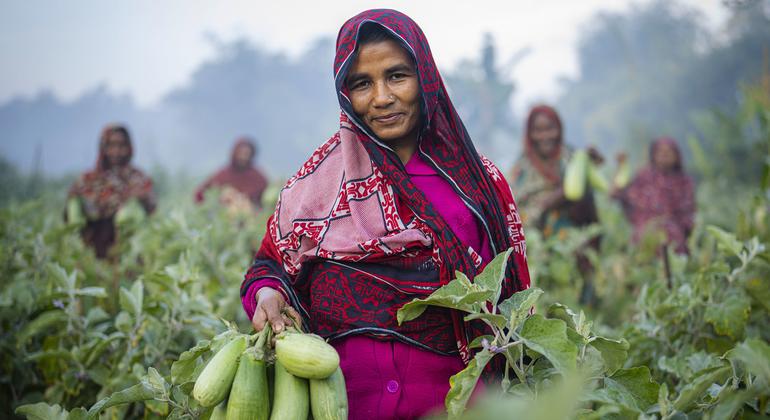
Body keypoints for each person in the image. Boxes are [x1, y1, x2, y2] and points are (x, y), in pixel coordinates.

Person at [240, 10, 530, 419]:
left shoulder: (476, 185)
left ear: (424, 77)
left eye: (397, 76)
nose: (381, 97)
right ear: (345, 94)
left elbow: (511, 303)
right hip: (345, 405)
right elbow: (268, 266)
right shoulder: (315, 184)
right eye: (361, 83)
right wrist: (268, 294)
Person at [509, 105, 601, 305]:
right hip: (536, 241)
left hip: (574, 236)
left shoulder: (571, 157)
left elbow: (588, 189)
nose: (544, 136)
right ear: (530, 133)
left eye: (549, 128)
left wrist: (590, 162)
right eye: (538, 130)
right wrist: (548, 203)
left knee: (576, 301)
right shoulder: (523, 166)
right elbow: (515, 207)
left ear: (559, 129)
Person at [67, 124, 156, 259]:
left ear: (129, 148)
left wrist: (141, 199)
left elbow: (152, 206)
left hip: (128, 251)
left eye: (122, 146)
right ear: (103, 148)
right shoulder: (88, 179)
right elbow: (73, 217)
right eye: (111, 146)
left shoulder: (138, 177)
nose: (117, 151)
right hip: (93, 251)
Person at [613, 137, 695, 254]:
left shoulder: (684, 182)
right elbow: (622, 196)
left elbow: (688, 214)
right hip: (643, 238)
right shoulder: (642, 177)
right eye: (660, 152)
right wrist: (621, 167)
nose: (664, 155)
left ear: (677, 156)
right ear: (653, 155)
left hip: (674, 242)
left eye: (669, 152)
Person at [194, 137, 269, 209]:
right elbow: (201, 194)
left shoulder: (258, 178)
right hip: (222, 216)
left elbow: (266, 202)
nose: (243, 157)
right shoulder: (223, 174)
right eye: (240, 153)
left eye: (246, 154)